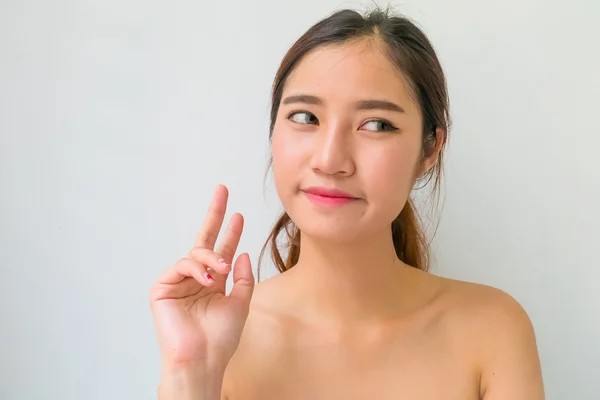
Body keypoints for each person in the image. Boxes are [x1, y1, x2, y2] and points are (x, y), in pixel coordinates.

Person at [149, 7, 545, 400]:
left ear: (430, 150)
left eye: (376, 124)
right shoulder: (221, 335)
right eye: (305, 117)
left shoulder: (492, 329)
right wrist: (191, 375)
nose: (330, 159)